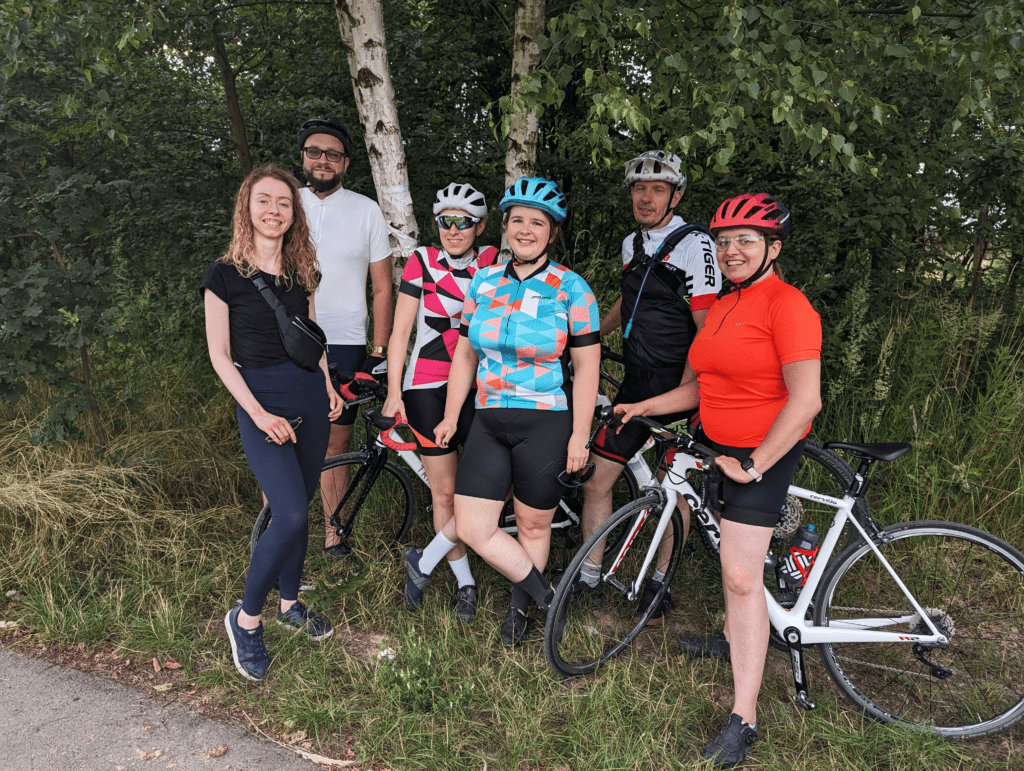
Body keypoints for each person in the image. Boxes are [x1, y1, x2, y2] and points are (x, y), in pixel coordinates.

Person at [615, 193, 821, 768]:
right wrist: (645, 406)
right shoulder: (725, 304)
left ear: (772, 249)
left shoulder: (788, 306)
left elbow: (806, 399)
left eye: (745, 241)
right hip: (715, 447)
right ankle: (735, 642)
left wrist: (754, 462)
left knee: (737, 576)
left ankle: (744, 718)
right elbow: (703, 388)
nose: (731, 251)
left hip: (762, 455)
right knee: (730, 564)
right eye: (724, 241)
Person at [402, 177, 601, 645]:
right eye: (518, 221)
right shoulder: (486, 280)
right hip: (489, 418)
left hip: (547, 419)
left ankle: (520, 609)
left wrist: (580, 436)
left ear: (552, 232)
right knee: (472, 526)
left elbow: (587, 367)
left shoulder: (572, 287)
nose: (526, 230)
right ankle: (549, 598)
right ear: (506, 227)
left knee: (534, 523)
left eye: (537, 223)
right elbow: (466, 355)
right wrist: (452, 415)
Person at [201, 164, 344, 682]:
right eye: (264, 201)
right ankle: (246, 619)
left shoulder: (303, 271)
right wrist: (259, 413)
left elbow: (310, 336)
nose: (274, 211)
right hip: (261, 402)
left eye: (284, 203)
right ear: (248, 208)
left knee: (301, 510)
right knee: (286, 512)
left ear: (293, 213)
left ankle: (288, 606)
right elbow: (219, 356)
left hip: (309, 394)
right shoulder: (222, 277)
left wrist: (326, 383)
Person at [576, 150, 720, 622]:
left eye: (657, 189)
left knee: (670, 491)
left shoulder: (694, 244)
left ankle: (660, 584)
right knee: (598, 478)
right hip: (637, 385)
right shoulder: (631, 242)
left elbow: (707, 325)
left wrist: (689, 393)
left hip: (680, 386)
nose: (646, 197)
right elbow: (631, 297)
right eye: (639, 188)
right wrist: (593, 334)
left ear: (676, 195)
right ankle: (589, 577)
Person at [381, 182, 499, 622]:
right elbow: (400, 334)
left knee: (494, 480)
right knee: (445, 491)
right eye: (445, 221)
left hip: (479, 388)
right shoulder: (422, 261)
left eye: (463, 222)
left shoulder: (493, 263)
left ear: (480, 227)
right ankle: (465, 583)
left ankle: (425, 558)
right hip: (427, 387)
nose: (453, 230)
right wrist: (394, 392)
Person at [295, 116, 394, 559]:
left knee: (337, 441)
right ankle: (282, 533)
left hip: (347, 342)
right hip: (290, 339)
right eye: (314, 151)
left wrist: (379, 350)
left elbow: (383, 287)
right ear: (303, 157)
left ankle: (333, 533)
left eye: (332, 154)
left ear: (346, 163)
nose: (322, 160)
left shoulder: (366, 209)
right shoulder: (284, 203)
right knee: (284, 436)